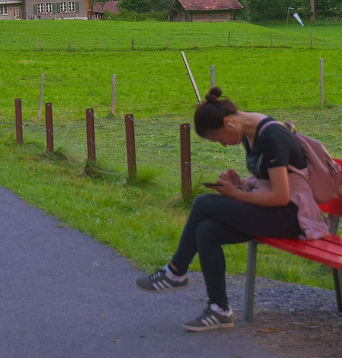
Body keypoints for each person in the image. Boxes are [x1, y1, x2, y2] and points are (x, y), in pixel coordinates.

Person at [135, 87, 324, 332]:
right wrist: (241, 183)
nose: (223, 145)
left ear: (229, 123)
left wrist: (235, 195)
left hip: (292, 216)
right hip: (275, 210)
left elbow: (281, 196)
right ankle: (219, 310)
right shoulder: (249, 133)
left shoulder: (271, 135)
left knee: (203, 203)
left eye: (219, 138)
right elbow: (270, 179)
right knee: (207, 230)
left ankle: (175, 271)